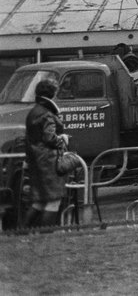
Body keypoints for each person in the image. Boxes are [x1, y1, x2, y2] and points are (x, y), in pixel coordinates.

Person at [24, 79, 76, 228]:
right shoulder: (47, 114)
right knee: (54, 200)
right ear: (53, 93)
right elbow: (49, 138)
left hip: (36, 160)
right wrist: (63, 138)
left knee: (40, 201)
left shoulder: (34, 111)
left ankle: (21, 232)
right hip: (48, 161)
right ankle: (46, 235)